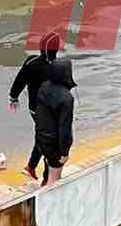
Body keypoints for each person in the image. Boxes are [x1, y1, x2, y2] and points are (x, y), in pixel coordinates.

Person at [8, 32, 61, 180]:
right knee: (48, 141)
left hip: (34, 110)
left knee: (42, 137)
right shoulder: (56, 68)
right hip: (50, 113)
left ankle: (31, 167)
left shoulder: (31, 62)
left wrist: (13, 98)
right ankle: (42, 175)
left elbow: (19, 81)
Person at [34, 56, 76, 186]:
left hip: (41, 138)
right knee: (54, 180)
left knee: (51, 173)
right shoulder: (66, 98)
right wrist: (64, 151)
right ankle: (47, 202)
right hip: (55, 145)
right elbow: (64, 128)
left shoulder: (44, 87)